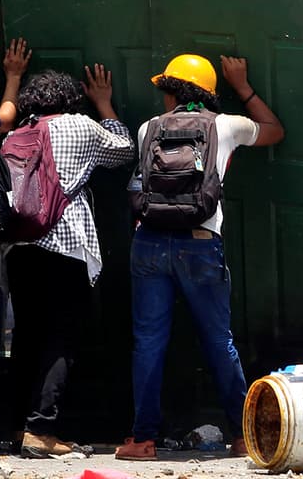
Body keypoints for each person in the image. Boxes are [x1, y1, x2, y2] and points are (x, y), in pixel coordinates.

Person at [115, 54, 284, 462]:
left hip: (150, 243)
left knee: (149, 343)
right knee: (218, 340)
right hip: (200, 241)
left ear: (170, 92)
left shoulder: (147, 129)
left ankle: (143, 440)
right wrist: (243, 87)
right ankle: (244, 436)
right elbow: (275, 131)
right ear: (208, 92)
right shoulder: (226, 125)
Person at [8, 66, 135, 457]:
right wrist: (104, 103)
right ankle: (42, 429)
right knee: (62, 339)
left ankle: (18, 426)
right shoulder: (79, 126)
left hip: (20, 250)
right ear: (70, 98)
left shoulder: (15, 136)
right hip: (65, 248)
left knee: (26, 339)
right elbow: (123, 151)